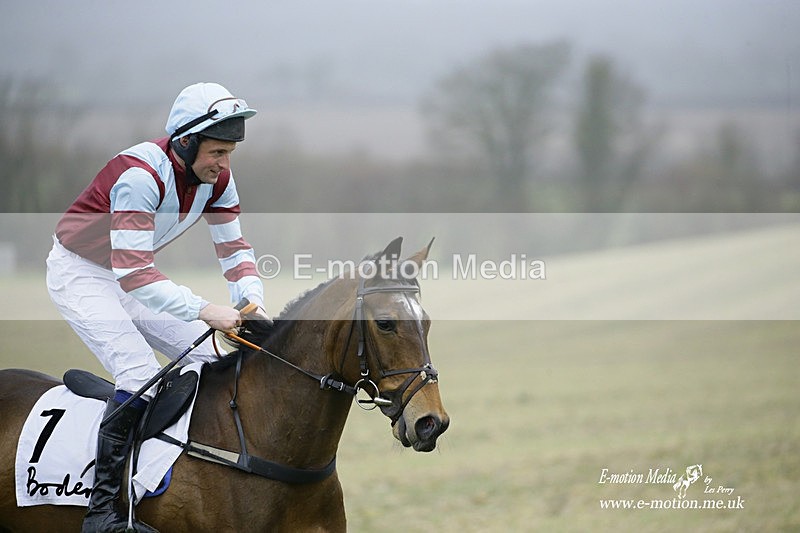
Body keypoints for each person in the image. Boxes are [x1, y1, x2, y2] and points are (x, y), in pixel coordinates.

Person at [46, 82, 269, 533]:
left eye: (230, 153)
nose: (224, 165)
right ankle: (104, 511)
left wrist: (252, 301)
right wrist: (208, 309)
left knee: (213, 358)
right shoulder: (139, 176)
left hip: (129, 273)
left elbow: (235, 251)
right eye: (217, 153)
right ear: (186, 142)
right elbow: (134, 274)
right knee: (137, 373)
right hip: (81, 273)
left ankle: (194, 473)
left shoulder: (218, 180)